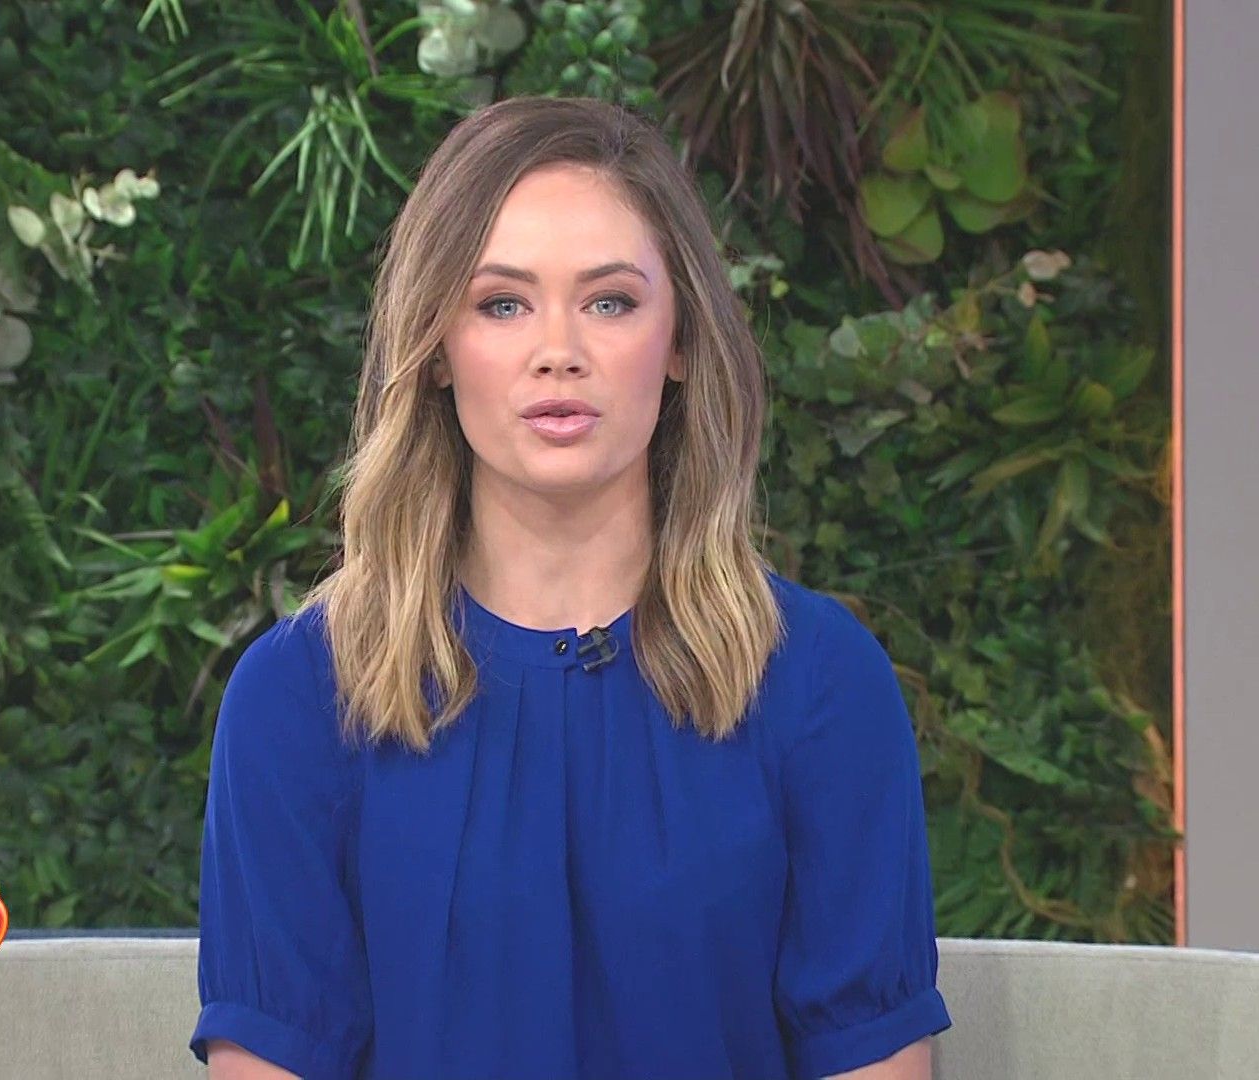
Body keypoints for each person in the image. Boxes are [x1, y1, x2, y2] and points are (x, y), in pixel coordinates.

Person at [191, 95, 951, 1080]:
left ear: (681, 343)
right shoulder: (299, 697)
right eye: (502, 303)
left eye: (610, 302)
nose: (559, 350)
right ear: (435, 347)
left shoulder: (819, 682)